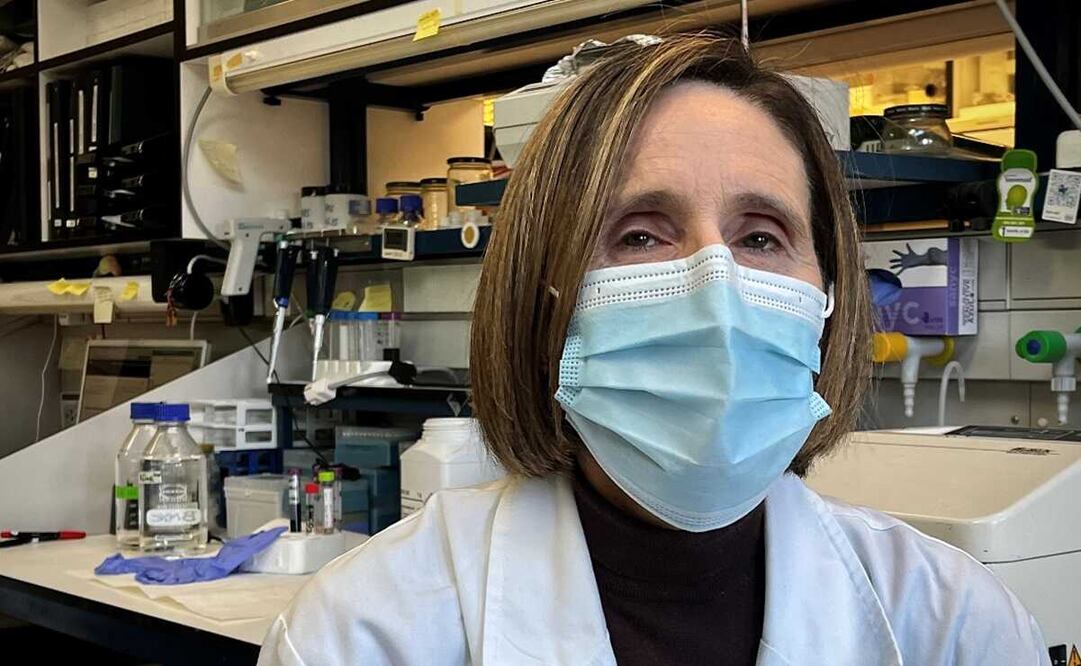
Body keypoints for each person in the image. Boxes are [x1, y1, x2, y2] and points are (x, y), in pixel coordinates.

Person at [258, 34, 1048, 666]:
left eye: (761, 236)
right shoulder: (363, 632)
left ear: (828, 299)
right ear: (545, 297)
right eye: (640, 232)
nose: (716, 283)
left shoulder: (953, 623)